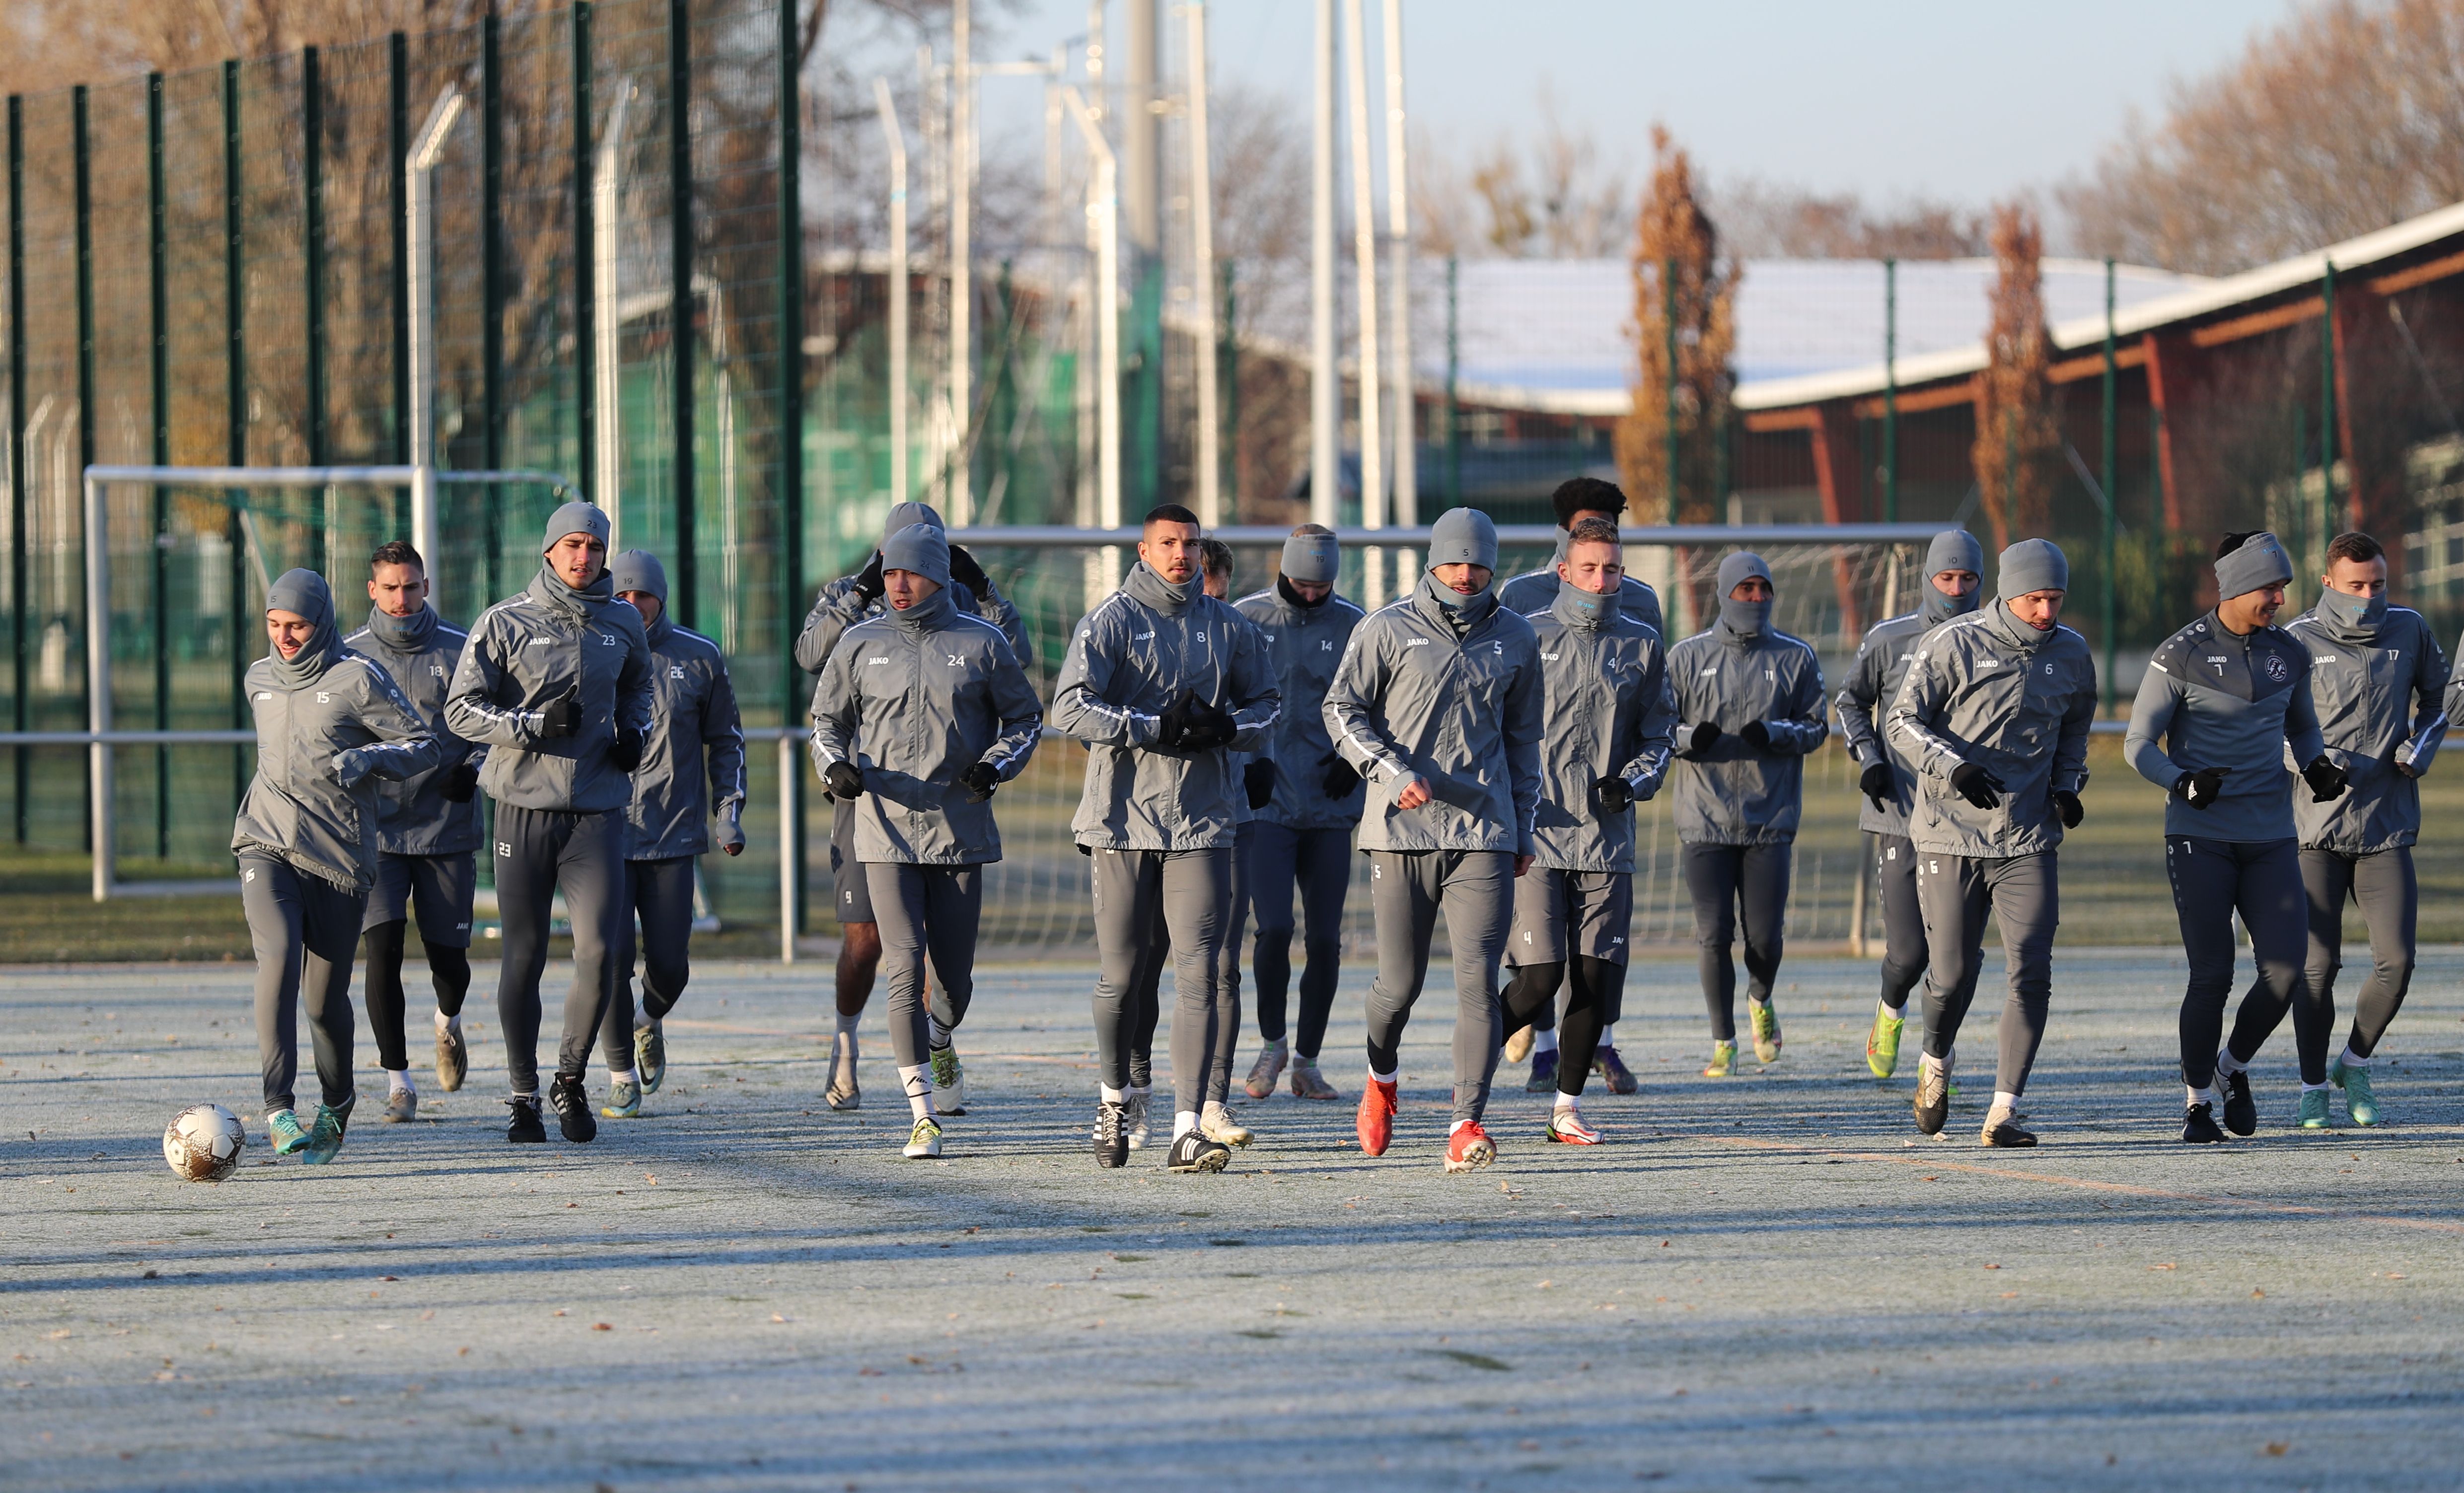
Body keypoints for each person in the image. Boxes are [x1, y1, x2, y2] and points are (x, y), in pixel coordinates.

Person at [1051, 504, 1279, 1173]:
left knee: (1202, 969)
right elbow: (1068, 706)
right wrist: (1152, 725)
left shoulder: (1228, 626)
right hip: (1120, 823)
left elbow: (1267, 703)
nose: (1183, 554)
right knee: (1123, 975)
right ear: (1145, 550)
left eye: (1191, 543)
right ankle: (1114, 1095)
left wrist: (1225, 728)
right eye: (1169, 543)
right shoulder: (1111, 618)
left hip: (1203, 821)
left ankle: (1187, 1127)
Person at [813, 523, 1044, 1159]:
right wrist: (834, 766)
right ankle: (920, 1115)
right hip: (882, 831)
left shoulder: (983, 641)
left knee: (953, 983)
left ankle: (940, 1037)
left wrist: (996, 765)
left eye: (911, 573)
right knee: (902, 962)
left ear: (941, 575)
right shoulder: (859, 642)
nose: (898, 584)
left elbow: (1026, 718)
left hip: (959, 832)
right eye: (889, 573)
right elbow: (826, 722)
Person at [1326, 506, 1543, 1173]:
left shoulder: (1515, 637)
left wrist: (1523, 825)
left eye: (1479, 562)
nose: (1467, 573)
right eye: (1455, 560)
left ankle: (1464, 1121)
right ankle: (1380, 1076)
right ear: (1432, 560)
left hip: (1484, 831)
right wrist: (1389, 773)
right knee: (1399, 985)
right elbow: (1340, 710)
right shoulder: (1384, 627)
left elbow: (1522, 742)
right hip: (1399, 833)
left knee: (1478, 983)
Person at [2125, 531, 2349, 1144]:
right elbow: (2137, 745)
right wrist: (2182, 782)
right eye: (2270, 587)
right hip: (2200, 836)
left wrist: (2318, 764)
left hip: (2273, 836)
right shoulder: (2181, 654)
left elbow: (2303, 728)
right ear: (2235, 587)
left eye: (2282, 587)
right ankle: (2198, 1102)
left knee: (2287, 970)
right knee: (2212, 976)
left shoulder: (2289, 652)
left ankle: (2232, 1069)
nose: (2280, 597)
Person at [446, 501, 653, 1145]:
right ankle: (522, 1095)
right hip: (523, 809)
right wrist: (531, 726)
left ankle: (569, 1076)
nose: (583, 556)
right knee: (525, 954)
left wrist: (634, 731)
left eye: (594, 546)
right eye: (571, 544)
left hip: (597, 811)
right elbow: (460, 709)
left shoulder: (622, 619)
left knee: (601, 950)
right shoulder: (505, 620)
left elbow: (638, 687)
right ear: (548, 549)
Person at [1886, 539, 2098, 1145]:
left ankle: (2004, 1111)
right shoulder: (1953, 643)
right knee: (1950, 974)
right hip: (1949, 834)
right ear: (2006, 592)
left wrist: (2067, 786)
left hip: (2028, 836)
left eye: (2054, 598)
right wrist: (1955, 768)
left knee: (2032, 969)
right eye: (2034, 598)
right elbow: (1902, 721)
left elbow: (2077, 725)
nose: (2045, 610)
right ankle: (1935, 1060)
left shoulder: (2072, 652)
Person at [235, 569, 438, 1163]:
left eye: (295, 625)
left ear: (321, 620)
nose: (284, 637)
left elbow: (422, 744)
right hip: (265, 841)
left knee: (324, 1002)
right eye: (274, 625)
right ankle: (278, 1108)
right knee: (276, 959)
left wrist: (366, 757)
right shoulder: (258, 679)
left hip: (339, 857)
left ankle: (339, 1099)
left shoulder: (356, 676)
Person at [1498, 517, 1673, 1144]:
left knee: (1596, 978)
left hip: (1608, 840)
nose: (1602, 581)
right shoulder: (1525, 635)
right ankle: (1476, 1069)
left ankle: (1566, 1109)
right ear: (1564, 571)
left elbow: (1660, 737)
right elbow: (1496, 730)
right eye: (1590, 568)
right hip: (1535, 838)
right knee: (1540, 978)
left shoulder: (1643, 644)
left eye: (1613, 569)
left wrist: (1630, 782)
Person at [1113, 538, 1267, 1152]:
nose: (1209, 602)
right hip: (1143, 823)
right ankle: (1139, 1082)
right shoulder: (1132, 630)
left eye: (1219, 592)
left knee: (1218, 966)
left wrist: (1250, 749)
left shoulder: (1233, 631)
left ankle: (1209, 1102)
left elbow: (1261, 708)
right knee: (1145, 964)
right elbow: (1090, 718)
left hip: (1224, 818)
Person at [2287, 531, 2445, 1128]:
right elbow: (2270, 726)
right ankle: (2311, 1086)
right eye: (2356, 586)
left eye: (2378, 584)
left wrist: (2420, 747)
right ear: (2328, 582)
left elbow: (2437, 704)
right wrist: (2313, 763)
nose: (2369, 596)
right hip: (2314, 831)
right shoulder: (2297, 639)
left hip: (2387, 825)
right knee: (2315, 968)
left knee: (2397, 963)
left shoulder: (2410, 628)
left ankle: (2353, 1063)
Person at [595, 549, 747, 1120]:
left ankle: (647, 1020)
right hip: (602, 834)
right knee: (608, 959)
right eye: (623, 596)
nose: (632, 606)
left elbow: (727, 740)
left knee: (670, 965)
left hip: (674, 835)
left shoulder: (699, 656)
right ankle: (618, 1076)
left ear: (661, 598)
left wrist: (727, 811)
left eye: (643, 596)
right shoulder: (592, 647)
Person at [1665, 552, 1828, 1076]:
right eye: (1746, 589)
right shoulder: (1687, 656)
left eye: (1763, 589)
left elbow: (1818, 726)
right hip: (1703, 819)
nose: (1756, 598)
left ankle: (1761, 999)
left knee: (1764, 937)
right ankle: (1724, 1041)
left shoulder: (1796, 656)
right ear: (1725, 593)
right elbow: (1657, 728)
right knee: (1713, 934)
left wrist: (1777, 734)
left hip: (1769, 819)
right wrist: (1693, 738)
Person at [1833, 529, 1982, 1078]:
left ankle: (1936, 1057)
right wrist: (1869, 757)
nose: (1957, 588)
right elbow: (1850, 700)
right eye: (1947, 577)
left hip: (1968, 824)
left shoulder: (1994, 641)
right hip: (1900, 814)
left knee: (1955, 959)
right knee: (1908, 954)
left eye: (1968, 578)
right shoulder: (1889, 638)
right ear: (1927, 580)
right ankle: (1891, 1009)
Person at [346, 541, 484, 1121]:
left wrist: (471, 771)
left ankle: (447, 1023)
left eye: (412, 586)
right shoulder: (346, 656)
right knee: (382, 951)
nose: (402, 598)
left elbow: (488, 726)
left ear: (426, 586)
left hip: (446, 828)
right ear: (372, 591)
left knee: (449, 962)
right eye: (391, 588)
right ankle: (398, 1080)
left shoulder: (461, 648)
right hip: (376, 832)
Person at [1233, 524, 1367, 1103]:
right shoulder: (1246, 620)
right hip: (1265, 805)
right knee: (1274, 929)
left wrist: (1357, 762)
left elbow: (1380, 702)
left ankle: (1309, 1061)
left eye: (1323, 585)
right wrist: (1246, 763)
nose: (1313, 594)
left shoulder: (1358, 624)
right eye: (1302, 584)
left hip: (1332, 804)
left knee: (1327, 939)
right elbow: (1226, 700)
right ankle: (1272, 1042)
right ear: (1282, 572)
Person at [1496, 475, 1665, 637]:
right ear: (1563, 532)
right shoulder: (1519, 593)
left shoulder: (1642, 598)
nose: (1595, 539)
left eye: (1604, 530)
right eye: (1584, 531)